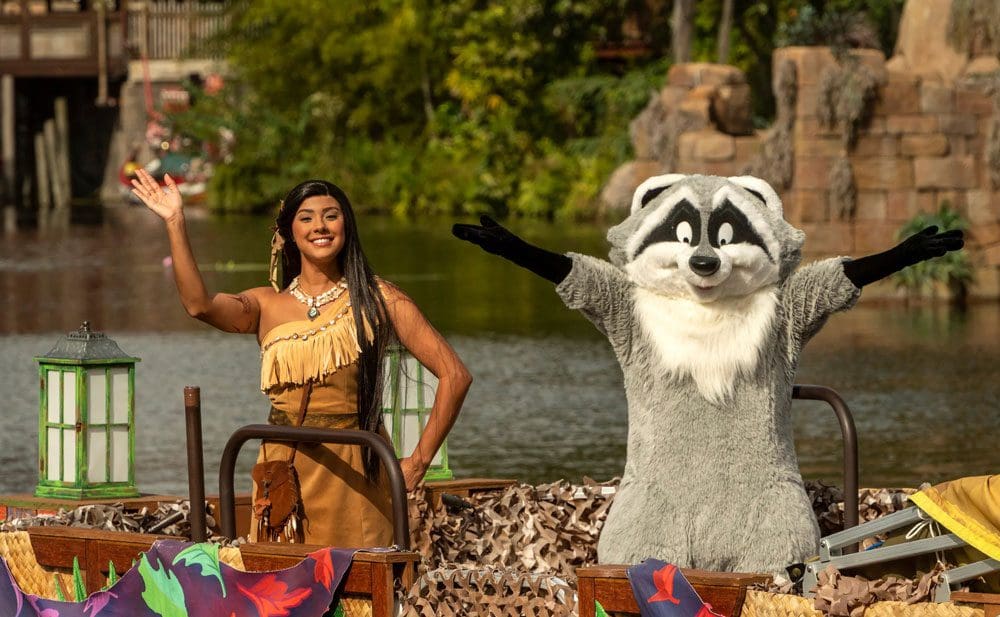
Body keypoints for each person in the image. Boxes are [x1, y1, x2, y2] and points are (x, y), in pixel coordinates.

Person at [132, 168, 472, 547]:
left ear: (347, 226)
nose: (320, 227)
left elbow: (455, 376)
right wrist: (176, 223)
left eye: (331, 215)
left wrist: (418, 462)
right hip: (280, 473)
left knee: (357, 593)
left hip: (356, 474)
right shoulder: (266, 304)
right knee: (279, 594)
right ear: (287, 233)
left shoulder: (380, 299)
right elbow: (198, 305)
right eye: (306, 218)